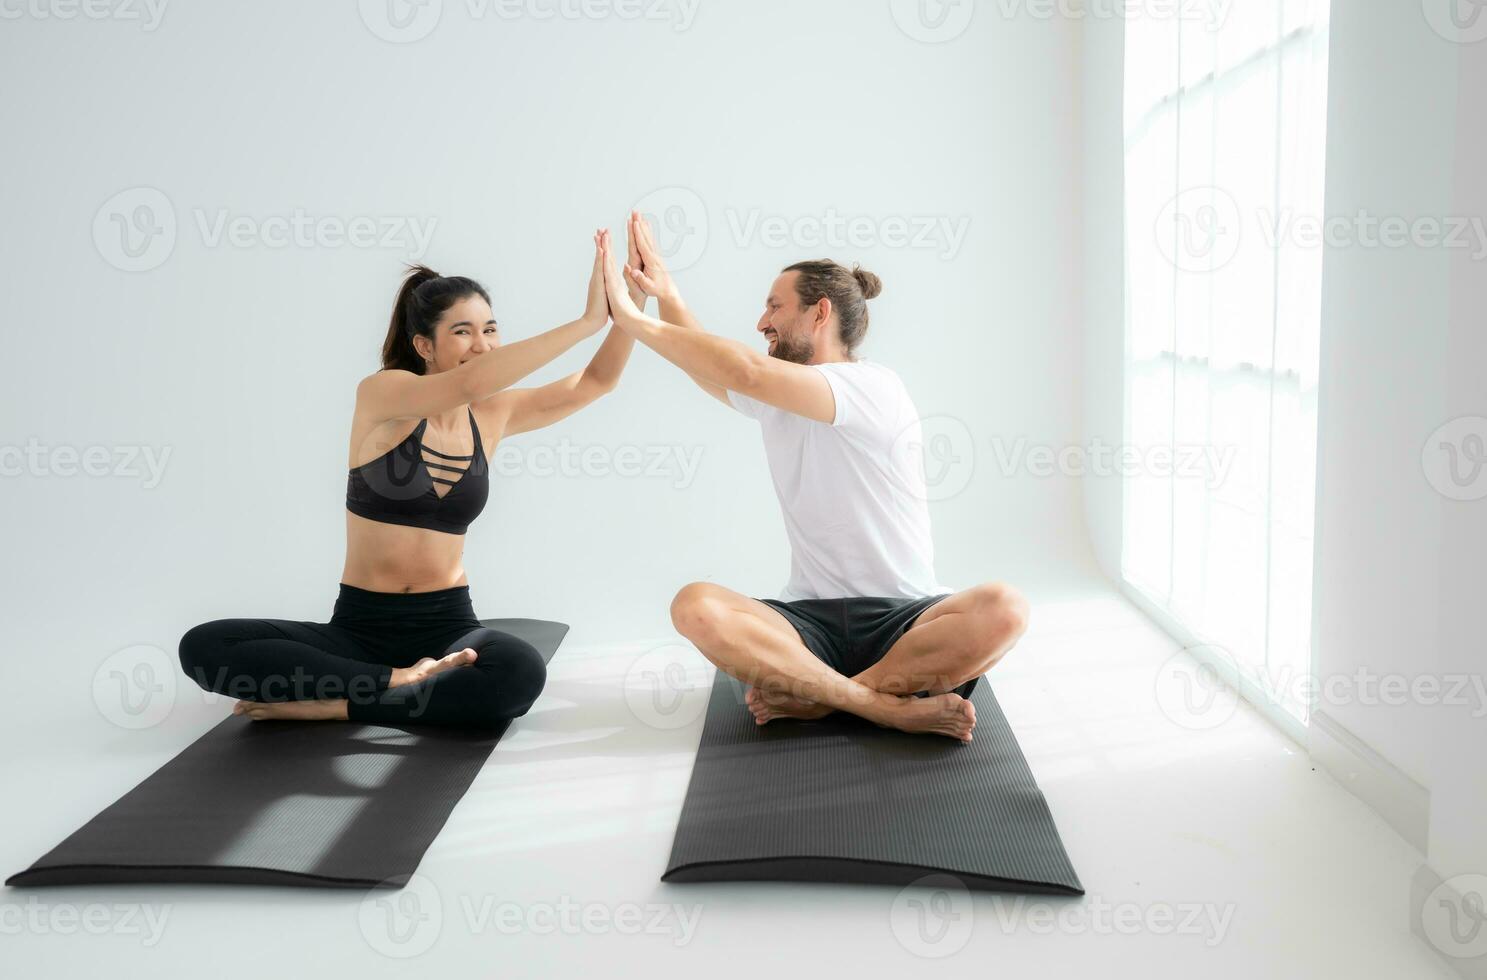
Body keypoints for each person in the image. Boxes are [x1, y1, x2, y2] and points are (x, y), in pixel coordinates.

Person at [177, 230, 645, 728]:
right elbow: (469, 381)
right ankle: (396, 681)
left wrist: (632, 302)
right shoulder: (385, 395)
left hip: (448, 625)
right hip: (358, 628)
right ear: (424, 344)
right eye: (463, 332)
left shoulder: (492, 415)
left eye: (490, 329)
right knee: (205, 647)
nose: (483, 345)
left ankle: (344, 702)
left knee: (519, 672)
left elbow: (596, 381)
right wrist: (588, 321)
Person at [596, 215, 1030, 742]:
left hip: (907, 621)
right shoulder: (779, 397)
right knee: (695, 605)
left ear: (820, 312)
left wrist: (633, 320)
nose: (761, 322)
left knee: (1006, 608)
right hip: (808, 626)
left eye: (775, 306)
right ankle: (881, 706)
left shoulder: (871, 385)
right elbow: (710, 364)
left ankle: (821, 699)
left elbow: (744, 371)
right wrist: (666, 292)